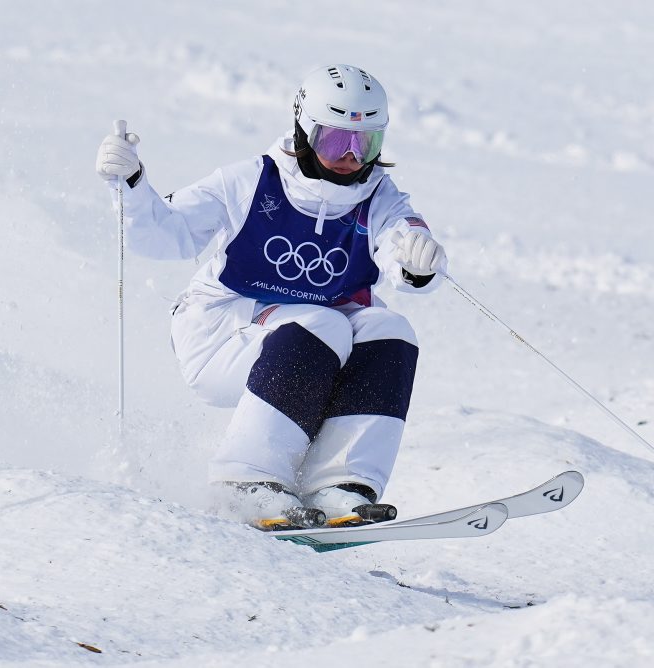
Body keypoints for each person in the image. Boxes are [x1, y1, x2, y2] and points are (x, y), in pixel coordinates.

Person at [95, 64, 447, 529]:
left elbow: (402, 248)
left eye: (365, 144)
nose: (349, 157)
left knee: (389, 329)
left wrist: (418, 263)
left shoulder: (380, 199)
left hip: (310, 344)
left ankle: (341, 484)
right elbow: (165, 236)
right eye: (334, 141)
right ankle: (245, 484)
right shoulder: (248, 182)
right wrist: (133, 187)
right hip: (219, 336)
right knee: (321, 322)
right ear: (304, 132)